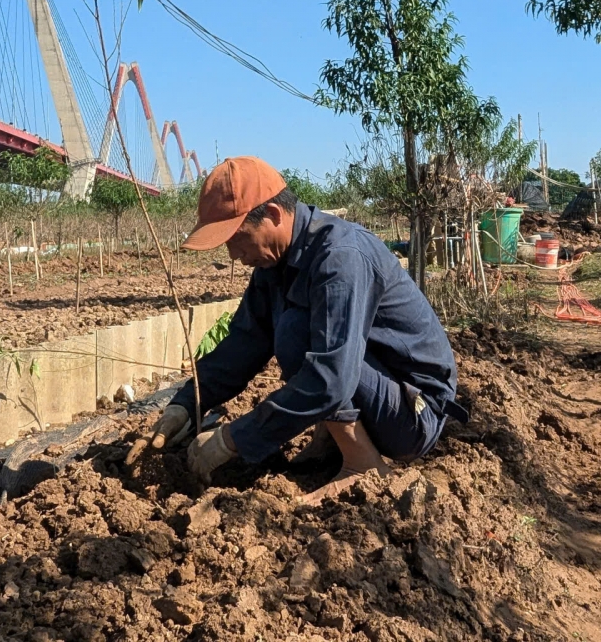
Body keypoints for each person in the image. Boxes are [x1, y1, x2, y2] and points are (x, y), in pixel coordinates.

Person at [146, 156, 466, 501]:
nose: (233, 254)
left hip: (414, 414)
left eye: (237, 238)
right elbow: (242, 344)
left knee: (297, 334)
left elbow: (332, 377)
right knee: (299, 331)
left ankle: (363, 464)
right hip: (380, 390)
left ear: (272, 215)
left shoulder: (340, 257)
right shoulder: (273, 266)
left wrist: (233, 439)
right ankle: (332, 443)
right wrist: (184, 404)